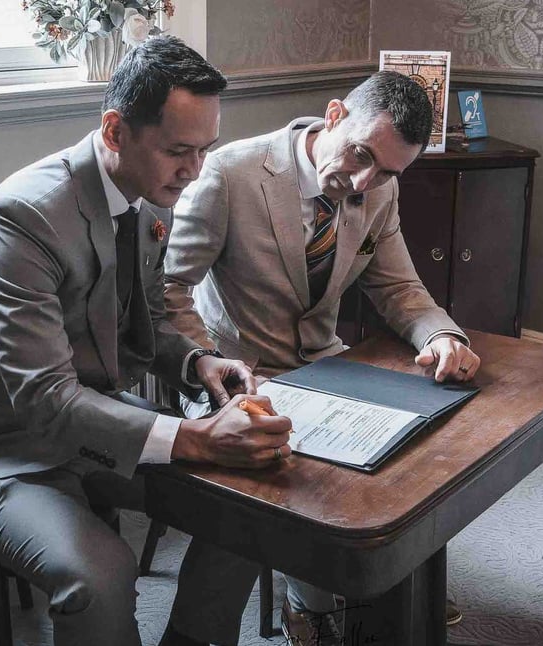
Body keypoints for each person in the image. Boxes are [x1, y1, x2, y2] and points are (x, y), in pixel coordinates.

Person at [0, 35, 291, 646]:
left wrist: (199, 362)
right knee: (102, 575)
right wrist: (194, 437)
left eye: (206, 149)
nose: (195, 171)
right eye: (178, 151)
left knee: (251, 499)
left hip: (92, 423)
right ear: (115, 130)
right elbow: (44, 400)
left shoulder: (150, 200)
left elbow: (146, 322)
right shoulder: (21, 218)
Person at [163, 70, 480, 645]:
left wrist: (439, 336)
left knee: (417, 451)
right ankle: (226, 628)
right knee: (259, 482)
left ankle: (382, 590)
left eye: (387, 172)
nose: (364, 181)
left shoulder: (380, 187)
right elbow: (169, 290)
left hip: (326, 368)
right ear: (334, 115)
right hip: (231, 375)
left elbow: (398, 288)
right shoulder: (231, 173)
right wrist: (206, 361)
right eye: (361, 155)